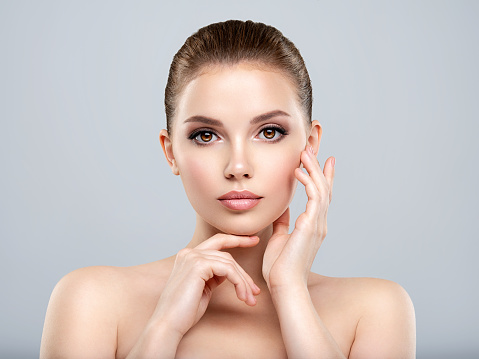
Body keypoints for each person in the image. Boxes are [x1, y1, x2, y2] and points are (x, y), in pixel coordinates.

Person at [40, 20, 416, 358]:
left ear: (310, 145)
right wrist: (163, 328)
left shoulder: (376, 311)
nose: (238, 167)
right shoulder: (91, 302)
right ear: (171, 152)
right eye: (206, 135)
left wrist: (290, 291)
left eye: (269, 132)